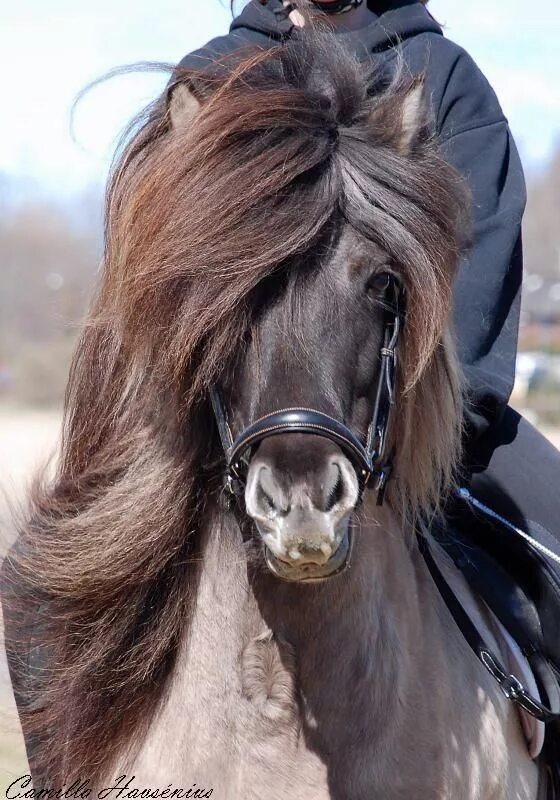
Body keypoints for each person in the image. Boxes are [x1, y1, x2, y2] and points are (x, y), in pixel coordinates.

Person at [173, 0, 560, 544]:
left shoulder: (444, 75)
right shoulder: (216, 78)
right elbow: (162, 285)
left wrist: (418, 442)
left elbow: (479, 286)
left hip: (421, 433)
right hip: (221, 436)